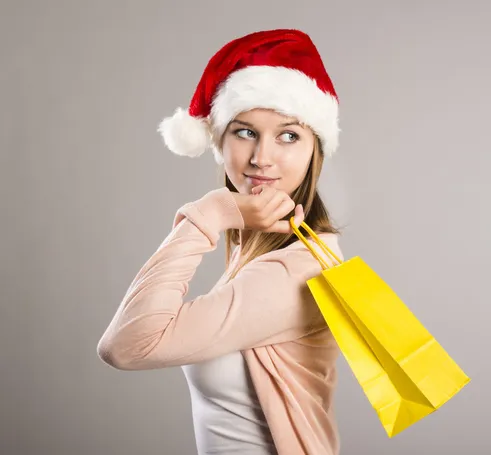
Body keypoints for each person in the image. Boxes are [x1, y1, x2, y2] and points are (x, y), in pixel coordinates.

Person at [97, 29, 344, 455]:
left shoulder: (295, 271)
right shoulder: (263, 248)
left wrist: (211, 213)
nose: (261, 158)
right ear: (220, 141)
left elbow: (126, 345)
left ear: (314, 151)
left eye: (288, 135)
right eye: (245, 132)